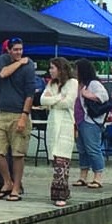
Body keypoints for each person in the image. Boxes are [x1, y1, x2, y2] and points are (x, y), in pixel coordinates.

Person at [0, 37, 38, 201]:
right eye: (15, 49)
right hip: (2, 112)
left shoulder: (29, 65)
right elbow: (3, 73)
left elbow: (30, 93)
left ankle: (16, 186)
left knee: (18, 153)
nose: (19, 52)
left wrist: (24, 115)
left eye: (21, 49)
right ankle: (7, 182)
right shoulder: (4, 60)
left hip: (19, 112)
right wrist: (19, 62)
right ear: (9, 50)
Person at [39, 57, 78, 207]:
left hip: (66, 124)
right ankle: (58, 192)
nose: (50, 71)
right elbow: (43, 100)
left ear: (60, 69)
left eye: (52, 68)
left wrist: (53, 100)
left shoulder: (72, 83)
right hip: (53, 123)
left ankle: (61, 193)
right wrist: (58, 97)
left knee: (63, 159)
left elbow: (68, 102)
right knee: (56, 160)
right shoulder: (51, 84)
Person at [74, 59, 108, 189]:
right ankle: (83, 175)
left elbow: (104, 97)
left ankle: (98, 176)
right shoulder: (79, 84)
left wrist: (88, 95)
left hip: (90, 121)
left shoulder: (93, 83)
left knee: (93, 148)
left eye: (76, 69)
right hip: (79, 120)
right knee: (82, 149)